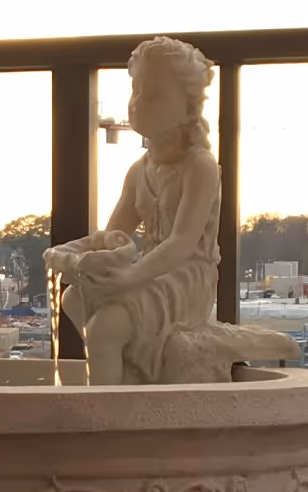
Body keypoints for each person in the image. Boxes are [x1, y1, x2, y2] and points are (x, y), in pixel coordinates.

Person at [47, 36, 221, 384]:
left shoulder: (200, 166)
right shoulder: (138, 171)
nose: (138, 103)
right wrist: (79, 256)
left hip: (186, 278)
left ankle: (110, 409)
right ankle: (125, 370)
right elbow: (114, 235)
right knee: (74, 298)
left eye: (154, 95)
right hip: (148, 271)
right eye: (135, 91)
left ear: (188, 108)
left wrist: (131, 277)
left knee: (104, 329)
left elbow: (181, 243)